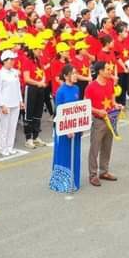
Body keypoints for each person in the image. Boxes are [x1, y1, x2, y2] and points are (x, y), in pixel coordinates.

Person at [49, 64, 82, 193]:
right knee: (63, 152)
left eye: (76, 73)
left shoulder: (77, 88)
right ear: (66, 76)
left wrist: (80, 125)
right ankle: (61, 183)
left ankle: (74, 181)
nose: (75, 75)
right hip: (64, 129)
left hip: (75, 127)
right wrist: (67, 129)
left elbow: (78, 108)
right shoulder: (61, 91)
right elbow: (59, 111)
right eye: (73, 73)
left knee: (75, 153)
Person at [85, 61, 117, 188]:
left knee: (107, 146)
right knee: (95, 148)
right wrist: (98, 111)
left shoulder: (110, 83)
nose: (110, 71)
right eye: (107, 69)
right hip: (98, 120)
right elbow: (86, 105)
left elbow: (113, 100)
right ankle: (93, 174)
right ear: (100, 71)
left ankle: (104, 171)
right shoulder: (91, 87)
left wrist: (117, 105)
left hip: (110, 118)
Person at [0, 51, 22, 156]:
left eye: (13, 60)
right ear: (4, 61)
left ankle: (10, 147)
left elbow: (18, 87)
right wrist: (2, 105)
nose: (12, 62)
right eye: (10, 60)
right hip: (5, 104)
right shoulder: (0, 74)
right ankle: (2, 148)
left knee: (12, 126)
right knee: (4, 127)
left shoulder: (15, 72)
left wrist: (20, 100)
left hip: (15, 103)